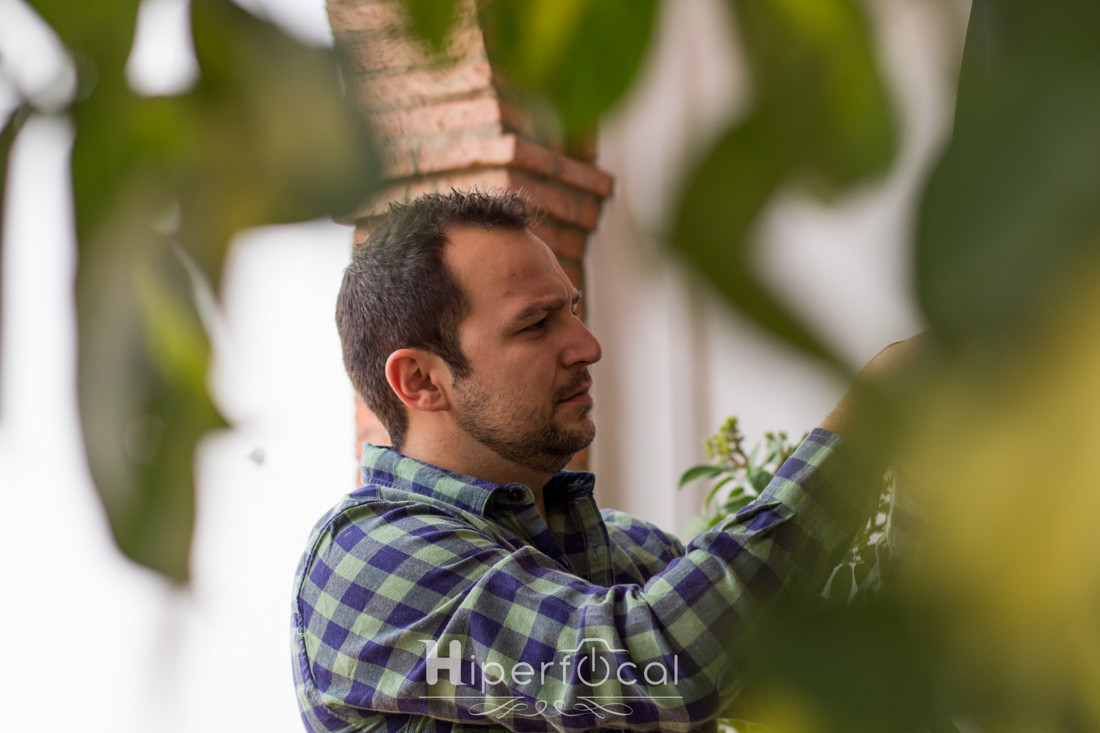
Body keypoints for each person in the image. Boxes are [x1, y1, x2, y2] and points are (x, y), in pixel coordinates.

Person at [291, 190, 907, 732]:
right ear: (421, 380)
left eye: (572, 310)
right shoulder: (366, 559)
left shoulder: (625, 550)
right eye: (535, 325)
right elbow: (658, 668)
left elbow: (832, 667)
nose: (587, 346)